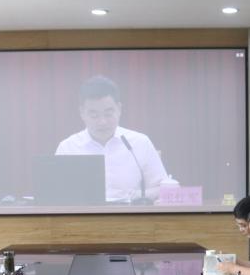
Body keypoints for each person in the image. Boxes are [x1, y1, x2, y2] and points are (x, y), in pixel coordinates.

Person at [55, 75, 169, 203]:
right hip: (82, 214)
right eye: (94, 115)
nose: (102, 122)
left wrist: (139, 195)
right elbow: (56, 193)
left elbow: (163, 188)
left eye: (108, 114)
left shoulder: (140, 143)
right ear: (82, 113)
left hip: (129, 213)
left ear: (119, 109)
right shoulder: (68, 147)